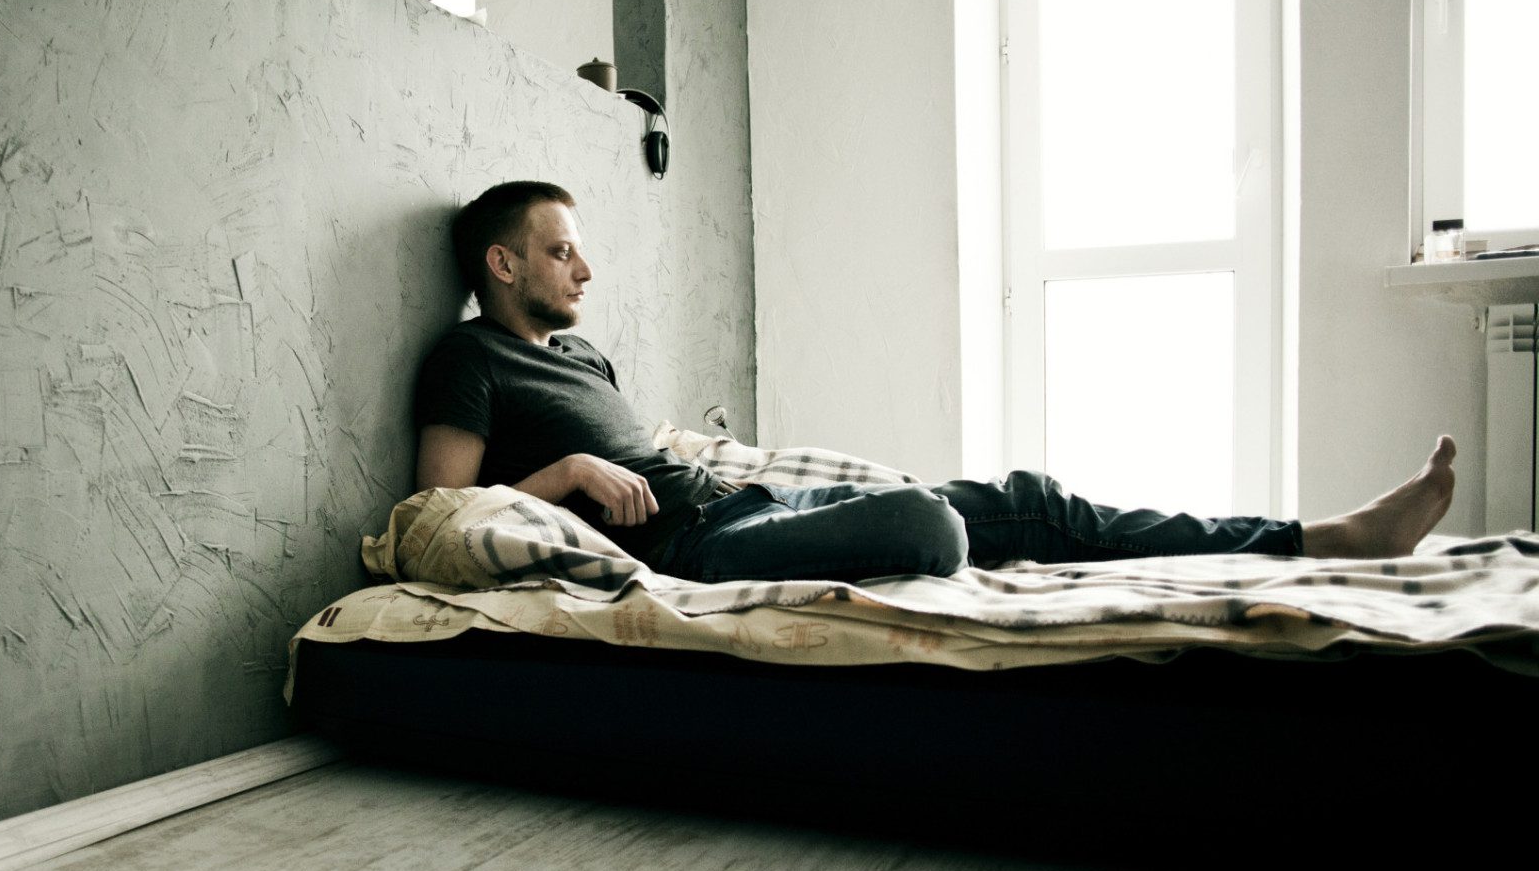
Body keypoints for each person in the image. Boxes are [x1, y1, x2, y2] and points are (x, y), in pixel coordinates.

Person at [412, 181, 1458, 581]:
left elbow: (647, 453)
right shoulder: (468, 359)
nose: (586, 269)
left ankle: (1317, 538)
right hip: (692, 547)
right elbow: (438, 513)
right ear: (501, 263)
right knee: (929, 526)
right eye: (560, 251)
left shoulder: (582, 356)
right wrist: (568, 473)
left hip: (742, 502)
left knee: (1028, 500)